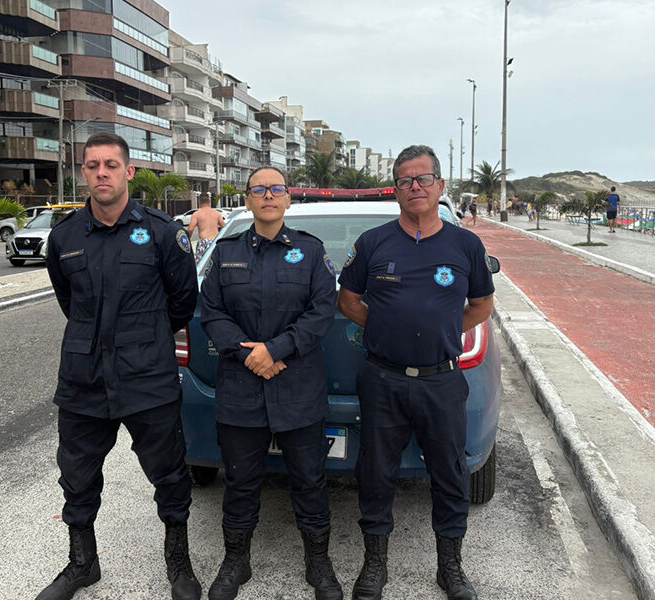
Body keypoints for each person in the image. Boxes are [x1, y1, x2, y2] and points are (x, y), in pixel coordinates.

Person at [38, 132, 201, 600]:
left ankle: (179, 563)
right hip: (83, 379)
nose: (102, 172)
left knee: (169, 473)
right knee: (77, 474)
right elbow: (70, 301)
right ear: (83, 173)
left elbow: (182, 303)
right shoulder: (65, 236)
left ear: (129, 171)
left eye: (111, 164)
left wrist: (141, 339)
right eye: (93, 165)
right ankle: (82, 563)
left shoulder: (163, 232)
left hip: (147, 377)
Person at [337, 145, 495, 600]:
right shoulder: (374, 243)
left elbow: (482, 306)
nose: (415, 187)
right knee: (375, 471)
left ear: (440, 186)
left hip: (442, 381)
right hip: (383, 379)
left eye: (423, 179)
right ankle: (374, 566)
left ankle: (451, 567)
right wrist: (386, 327)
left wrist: (443, 328)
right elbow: (348, 300)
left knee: (448, 473)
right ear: (397, 190)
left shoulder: (466, 244)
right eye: (406, 180)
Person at [200, 166, 341, 600]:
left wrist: (275, 350)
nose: (267, 195)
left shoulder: (311, 252)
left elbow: (321, 312)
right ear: (247, 200)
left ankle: (318, 563)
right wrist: (250, 355)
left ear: (287, 200)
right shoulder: (226, 253)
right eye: (258, 189)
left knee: (310, 480)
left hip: (297, 385)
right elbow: (212, 313)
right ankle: (235, 562)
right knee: (240, 481)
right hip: (242, 387)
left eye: (275, 189)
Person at [188, 194, 226, 263]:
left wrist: (188, 238)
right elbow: (224, 226)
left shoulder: (197, 214)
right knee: (215, 264)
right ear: (209, 202)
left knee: (200, 265)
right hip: (215, 241)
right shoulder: (216, 213)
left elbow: (190, 228)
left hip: (203, 242)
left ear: (199, 202)